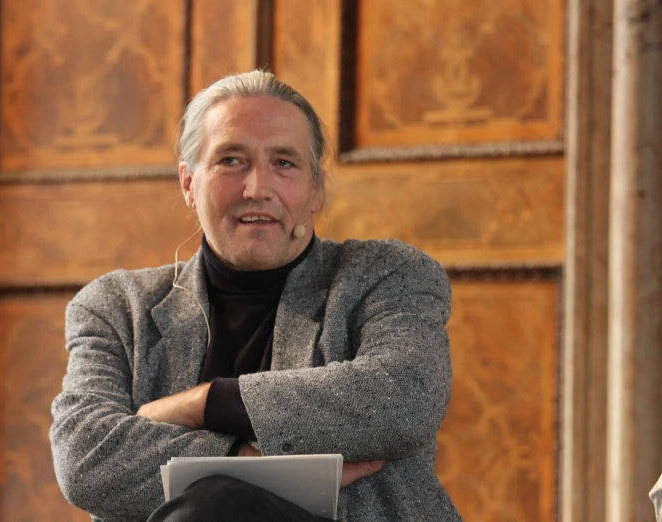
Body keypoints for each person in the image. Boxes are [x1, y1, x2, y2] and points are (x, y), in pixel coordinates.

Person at [50, 70, 462, 521]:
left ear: (316, 189)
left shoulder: (385, 276)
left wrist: (204, 403)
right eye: (231, 160)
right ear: (189, 184)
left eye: (284, 163)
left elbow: (399, 398)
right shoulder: (115, 307)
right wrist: (245, 461)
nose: (257, 189)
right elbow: (85, 457)